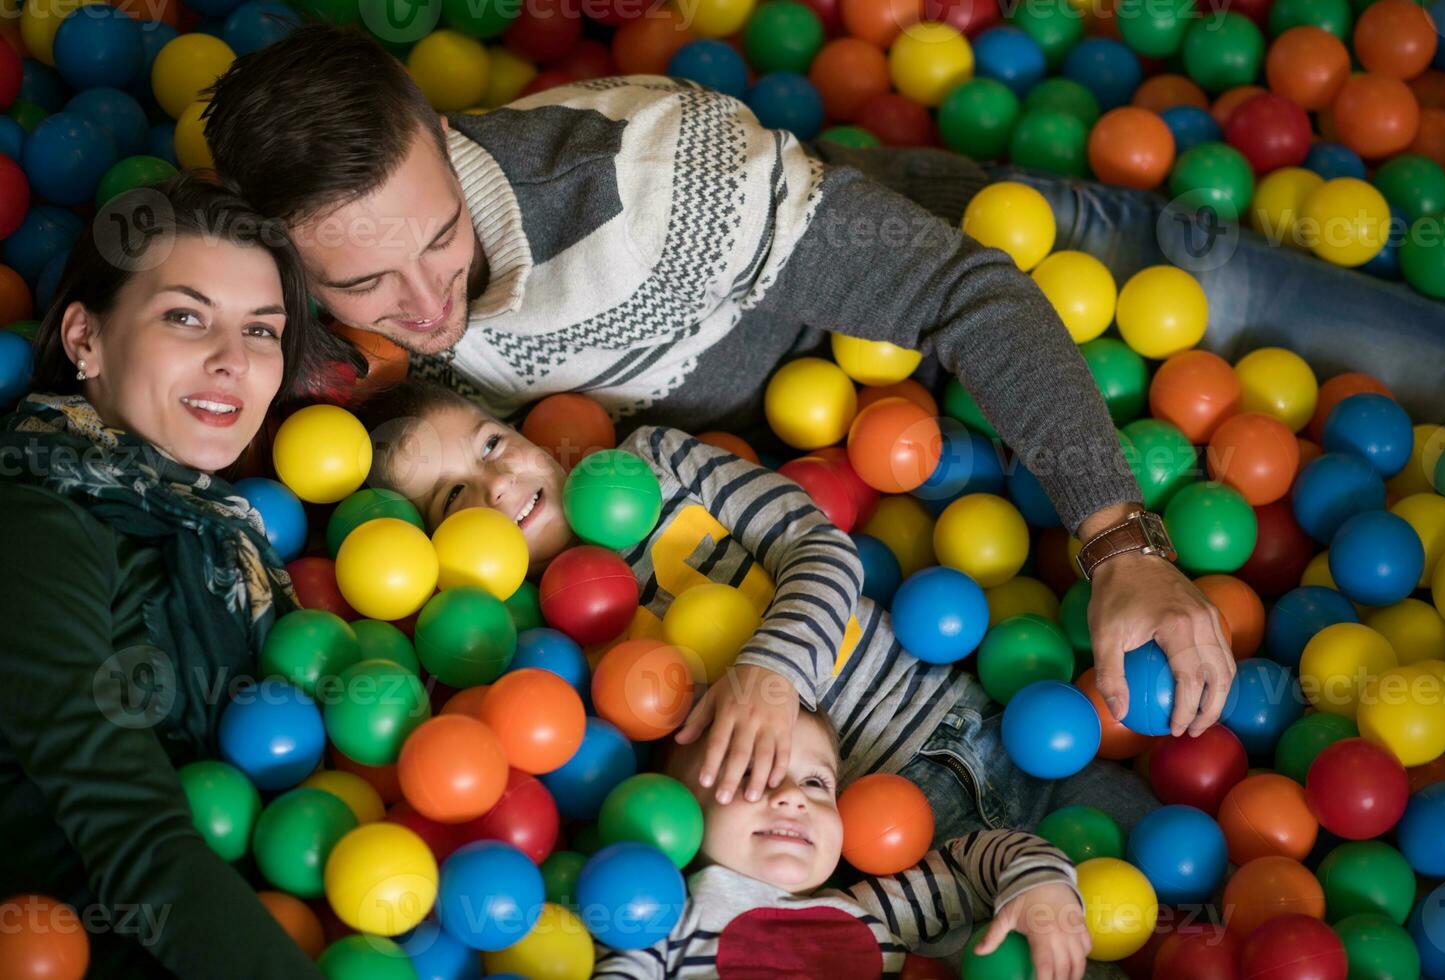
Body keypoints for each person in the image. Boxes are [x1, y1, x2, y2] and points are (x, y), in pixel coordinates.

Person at [203, 25, 1236, 736]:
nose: (426, 305)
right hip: (783, 480)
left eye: (437, 242)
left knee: (1226, 270)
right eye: (365, 282)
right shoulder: (287, 308)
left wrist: (1116, 543)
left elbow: (970, 296)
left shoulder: (655, 181)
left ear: (437, 133)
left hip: (981, 281)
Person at [355, 381, 1156, 855]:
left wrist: (770, 671)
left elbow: (823, 548)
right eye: (454, 498)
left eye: (492, 443)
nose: (495, 485)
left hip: (980, 733)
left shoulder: (655, 460)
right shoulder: (519, 651)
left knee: (1159, 874)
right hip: (864, 850)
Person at [0, 176, 341, 978]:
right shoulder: (33, 520)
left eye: (262, 331)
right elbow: (132, 836)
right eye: (186, 317)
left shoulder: (229, 540)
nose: (232, 361)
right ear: (84, 339)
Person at [593, 707, 1091, 978]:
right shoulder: (661, 916)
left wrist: (1040, 886)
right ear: (678, 813)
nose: (792, 797)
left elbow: (972, 862)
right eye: (752, 774)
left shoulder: (870, 911)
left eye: (816, 783)